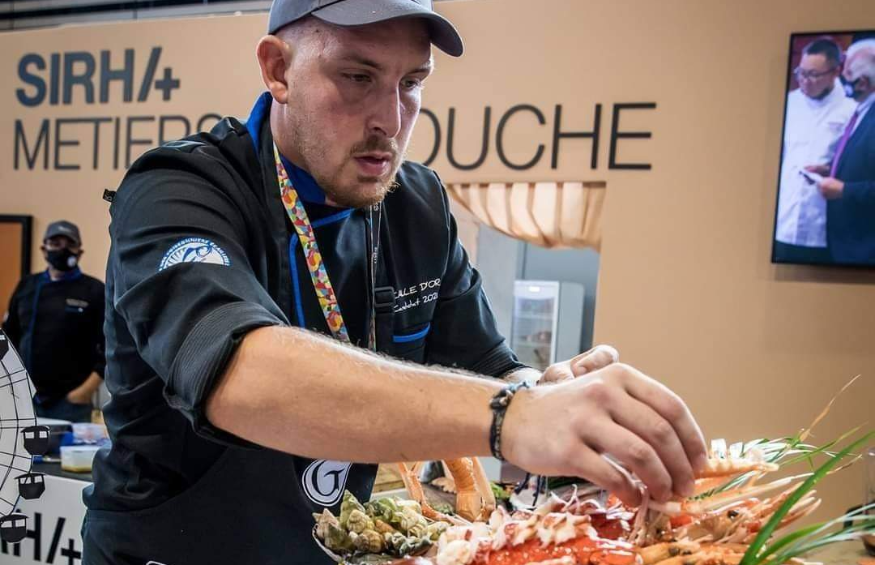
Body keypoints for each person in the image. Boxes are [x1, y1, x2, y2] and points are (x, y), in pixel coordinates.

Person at [82, 1, 707, 563]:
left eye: (411, 83)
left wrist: (543, 392)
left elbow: (488, 367)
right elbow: (236, 371)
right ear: (278, 69)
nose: (390, 118)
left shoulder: (416, 202)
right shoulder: (178, 191)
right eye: (358, 77)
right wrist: (514, 415)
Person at [2, 220, 105, 423]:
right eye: (55, 244)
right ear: (44, 249)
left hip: (71, 403)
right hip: (24, 399)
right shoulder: (27, 286)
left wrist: (84, 392)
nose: (62, 249)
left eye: (70, 244)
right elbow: (9, 337)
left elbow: (111, 347)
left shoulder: (95, 290)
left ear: (79, 252)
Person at [775, 38, 856, 264]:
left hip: (823, 224)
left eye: (813, 75)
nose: (804, 81)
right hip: (783, 220)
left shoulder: (851, 110)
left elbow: (857, 165)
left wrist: (830, 169)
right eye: (801, 72)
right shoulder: (789, 103)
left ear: (835, 72)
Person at [813, 39, 875, 264]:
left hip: (863, 252)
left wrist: (844, 190)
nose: (841, 78)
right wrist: (830, 169)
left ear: (863, 83)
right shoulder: (862, 110)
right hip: (842, 246)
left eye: (846, 73)